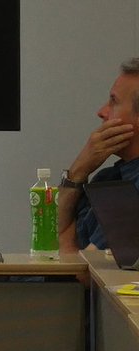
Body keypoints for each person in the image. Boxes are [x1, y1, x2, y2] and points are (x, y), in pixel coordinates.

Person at [57, 58, 139, 253]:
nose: (101, 112)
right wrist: (79, 170)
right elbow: (49, 242)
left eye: (113, 101)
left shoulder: (130, 190)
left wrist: (62, 239)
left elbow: (86, 266)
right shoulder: (108, 178)